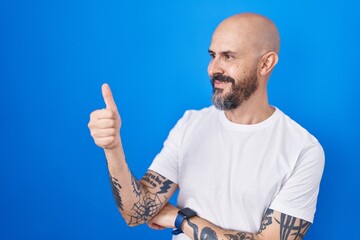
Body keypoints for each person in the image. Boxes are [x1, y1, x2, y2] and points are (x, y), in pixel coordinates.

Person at [88, 13, 325, 240]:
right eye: (213, 55)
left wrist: (179, 219)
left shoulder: (302, 149)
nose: (213, 69)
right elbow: (136, 213)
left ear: (266, 63)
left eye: (228, 56)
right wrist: (113, 148)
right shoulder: (190, 124)